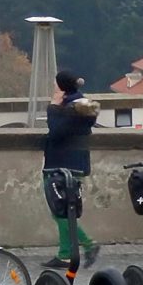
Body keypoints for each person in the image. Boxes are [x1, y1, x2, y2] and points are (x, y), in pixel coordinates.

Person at [41, 70, 101, 269]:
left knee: (61, 210)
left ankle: (88, 244)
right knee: (65, 209)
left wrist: (52, 107)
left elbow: (56, 131)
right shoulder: (82, 104)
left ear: (61, 86)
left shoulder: (69, 107)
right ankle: (65, 253)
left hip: (61, 162)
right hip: (77, 162)